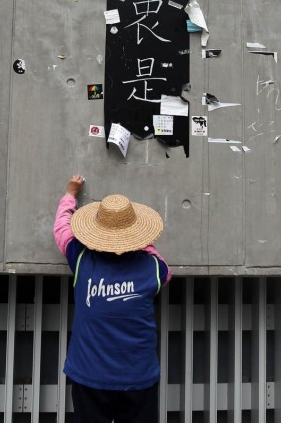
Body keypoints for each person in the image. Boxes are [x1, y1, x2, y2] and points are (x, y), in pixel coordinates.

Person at [54, 175, 171, 423]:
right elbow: (165, 268)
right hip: (138, 377)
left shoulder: (82, 259)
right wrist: (141, 240)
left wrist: (70, 195)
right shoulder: (152, 268)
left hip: (89, 375)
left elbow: (62, 230)